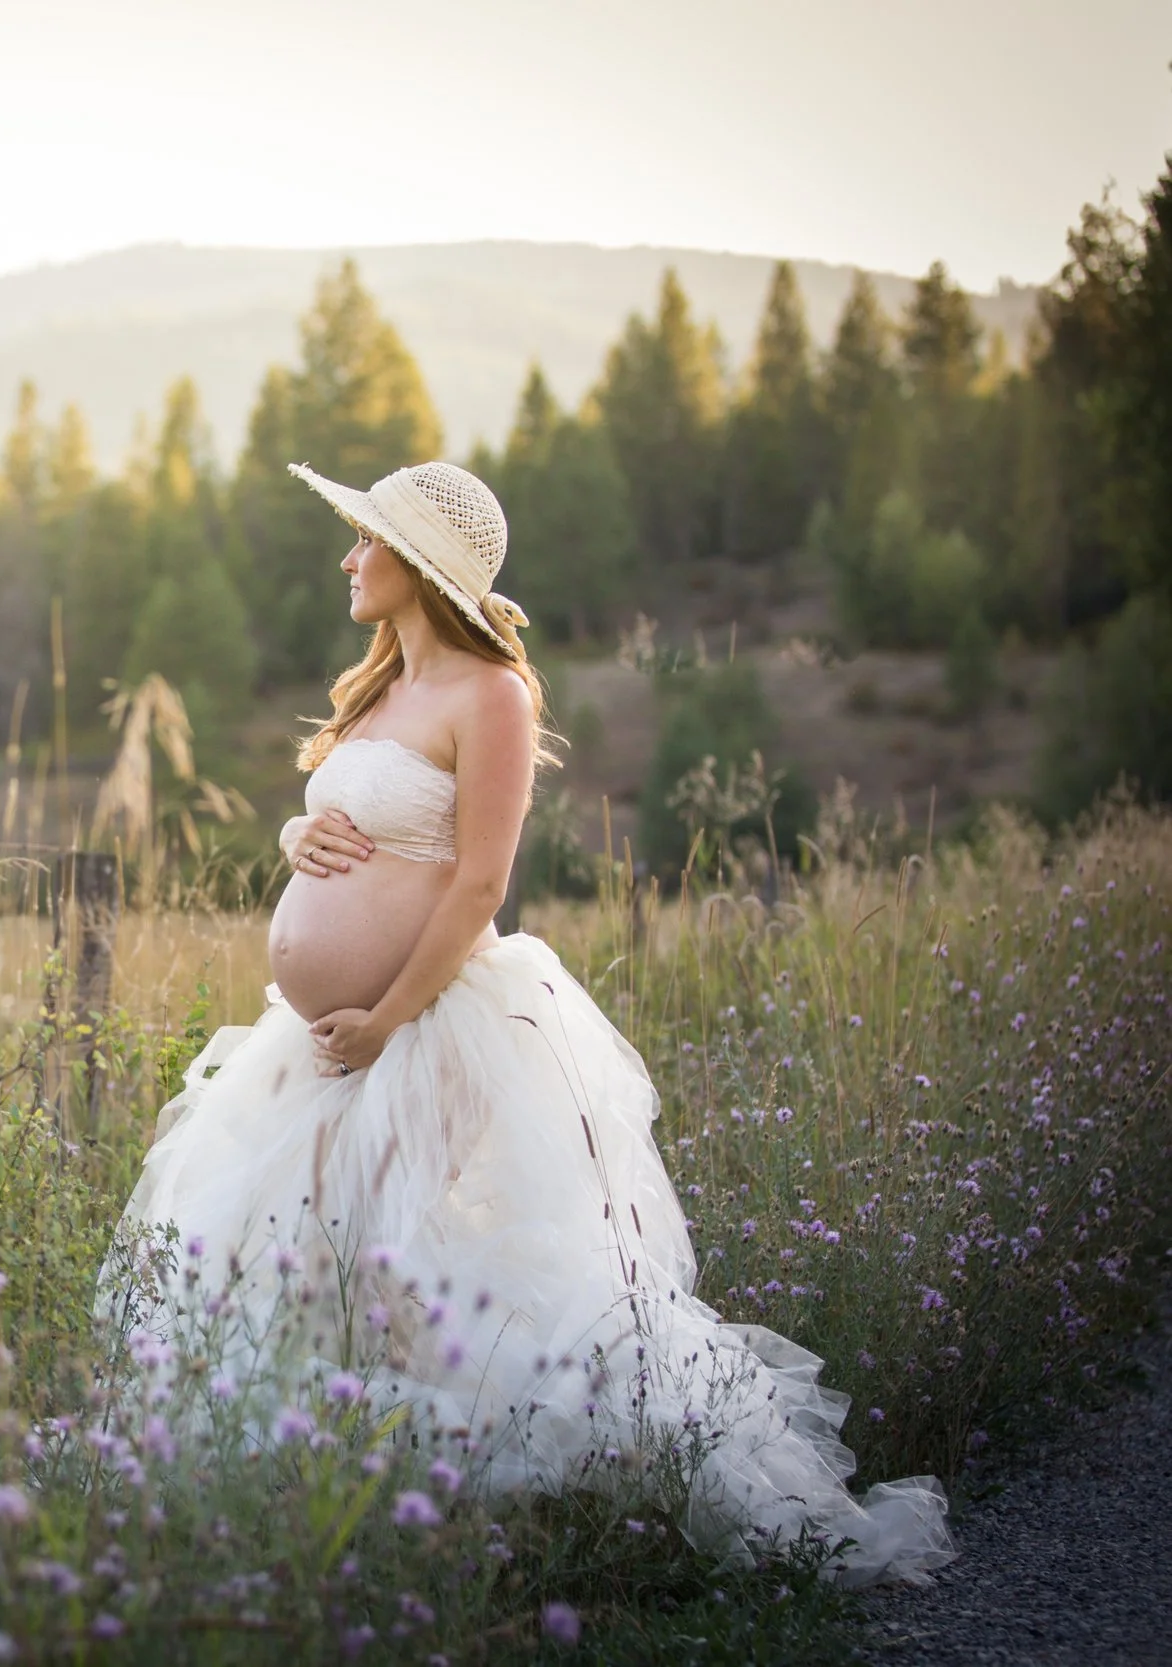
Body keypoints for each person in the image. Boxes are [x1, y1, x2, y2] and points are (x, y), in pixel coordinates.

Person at [103, 461, 953, 1587]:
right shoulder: (376, 693)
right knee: (304, 1266)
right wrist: (288, 844)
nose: (347, 557)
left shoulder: (489, 693)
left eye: (366, 539)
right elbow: (343, 821)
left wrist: (385, 1020)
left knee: (386, 1266)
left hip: (434, 1022)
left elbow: (477, 886)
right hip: (324, 1038)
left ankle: (458, 1522)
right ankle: (347, 1513)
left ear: (420, 563)